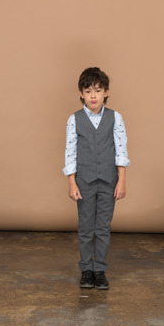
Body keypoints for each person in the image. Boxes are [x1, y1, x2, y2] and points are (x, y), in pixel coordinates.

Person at [63, 67, 130, 289]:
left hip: (109, 181)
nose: (93, 96)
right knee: (85, 227)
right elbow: (70, 152)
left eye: (98, 90)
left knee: (102, 227)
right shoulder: (75, 119)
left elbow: (121, 150)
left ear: (106, 92)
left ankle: (99, 269)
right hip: (84, 181)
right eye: (88, 90)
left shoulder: (115, 117)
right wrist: (72, 182)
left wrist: (121, 180)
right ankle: (86, 270)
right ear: (81, 93)